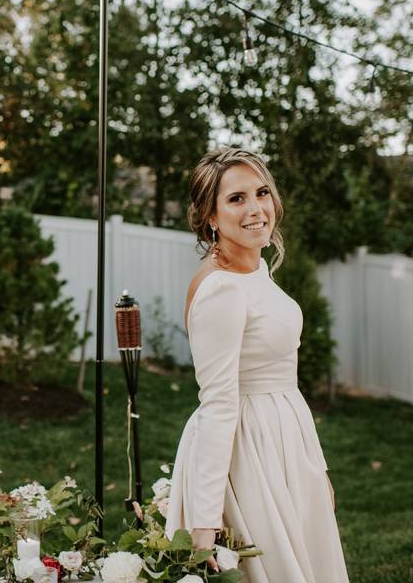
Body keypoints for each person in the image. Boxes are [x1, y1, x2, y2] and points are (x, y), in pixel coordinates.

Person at [163, 147, 350, 582]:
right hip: (249, 454)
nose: (256, 208)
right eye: (236, 199)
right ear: (210, 216)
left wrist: (315, 468)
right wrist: (205, 522)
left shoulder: (256, 268)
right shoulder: (220, 289)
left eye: (261, 193)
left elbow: (287, 377)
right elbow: (218, 404)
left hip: (287, 441)